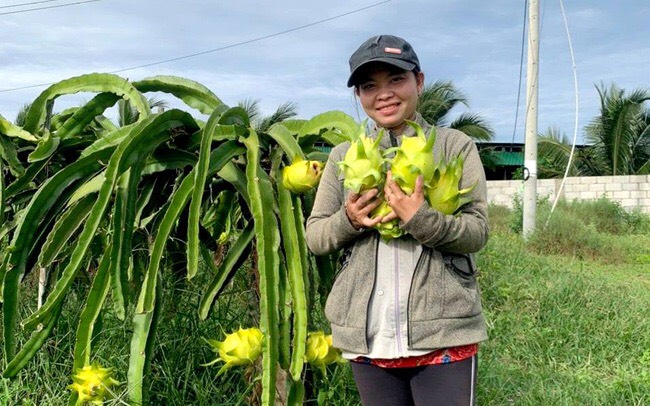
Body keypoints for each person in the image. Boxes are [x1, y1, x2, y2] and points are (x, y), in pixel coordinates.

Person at [305, 34, 489, 405]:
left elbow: (477, 230)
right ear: (358, 96)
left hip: (443, 331)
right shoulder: (343, 155)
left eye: (396, 80)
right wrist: (349, 220)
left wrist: (422, 219)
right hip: (369, 333)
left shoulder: (454, 146)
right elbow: (316, 236)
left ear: (419, 82)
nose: (383, 94)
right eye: (369, 85)